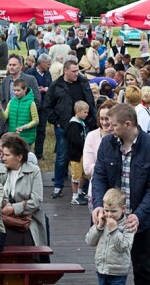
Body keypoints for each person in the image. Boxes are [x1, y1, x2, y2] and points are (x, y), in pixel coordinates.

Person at [91, 103, 150, 285]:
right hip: (110, 215)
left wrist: (139, 215)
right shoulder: (107, 143)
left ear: (128, 124)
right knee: (108, 267)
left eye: (113, 125)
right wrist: (98, 205)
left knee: (142, 267)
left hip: (139, 218)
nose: (109, 128)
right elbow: (99, 176)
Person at [44, 60, 97, 199]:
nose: (76, 74)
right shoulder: (56, 85)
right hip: (64, 127)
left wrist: (91, 121)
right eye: (73, 71)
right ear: (65, 71)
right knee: (62, 156)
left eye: (77, 71)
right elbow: (47, 106)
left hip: (83, 127)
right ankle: (58, 186)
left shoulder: (83, 83)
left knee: (84, 156)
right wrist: (56, 122)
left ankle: (83, 188)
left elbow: (91, 103)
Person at [0, 135, 46, 252]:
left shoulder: (33, 171)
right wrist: (5, 207)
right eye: (3, 155)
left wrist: (13, 209)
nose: (3, 158)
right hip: (3, 219)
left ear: (19, 157)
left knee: (26, 242)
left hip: (28, 219)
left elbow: (36, 201)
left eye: (7, 155)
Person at [86, 188, 135, 285]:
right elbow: (89, 241)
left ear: (123, 208)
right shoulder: (102, 221)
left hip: (118, 272)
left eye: (113, 211)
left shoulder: (128, 225)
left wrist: (114, 230)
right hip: (101, 269)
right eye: (106, 210)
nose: (109, 214)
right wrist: (99, 227)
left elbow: (123, 247)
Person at [0, 79, 39, 146]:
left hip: (26, 138)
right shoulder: (11, 102)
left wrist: (24, 127)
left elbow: (36, 120)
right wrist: (0, 109)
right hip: (13, 136)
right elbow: (5, 117)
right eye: (14, 90)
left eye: (18, 90)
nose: (16, 93)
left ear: (25, 89)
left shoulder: (31, 103)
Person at [65, 101, 90, 205]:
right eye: (85, 112)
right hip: (75, 155)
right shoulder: (73, 125)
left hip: (83, 154)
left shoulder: (82, 123)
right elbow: (75, 140)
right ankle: (74, 196)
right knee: (75, 176)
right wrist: (84, 145)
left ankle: (80, 193)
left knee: (83, 175)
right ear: (77, 111)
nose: (86, 114)